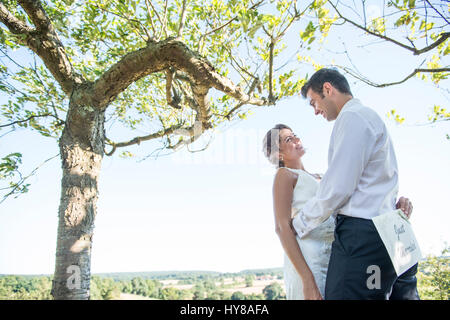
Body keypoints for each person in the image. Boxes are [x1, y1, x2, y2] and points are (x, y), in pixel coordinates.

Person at [292, 68, 420, 300]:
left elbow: (338, 188)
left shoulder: (352, 118)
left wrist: (298, 224)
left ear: (328, 89)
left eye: (313, 102)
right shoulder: (370, 118)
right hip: (392, 235)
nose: (315, 111)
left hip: (363, 237)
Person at [262, 123, 413, 300]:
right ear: (278, 154)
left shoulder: (324, 177)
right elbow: (282, 228)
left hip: (337, 259)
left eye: (295, 135)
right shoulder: (284, 175)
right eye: (289, 139)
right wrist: (307, 280)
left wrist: (395, 206)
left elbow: (360, 205)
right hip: (308, 260)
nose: (297, 139)